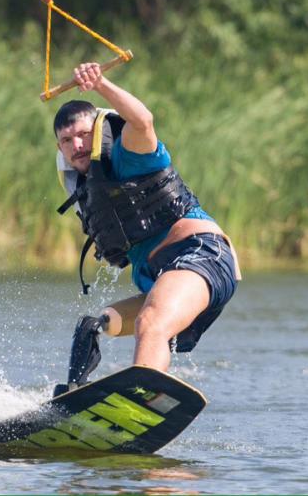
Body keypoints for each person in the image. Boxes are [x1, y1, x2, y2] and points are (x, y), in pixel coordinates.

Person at [52, 62, 241, 395]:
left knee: (150, 323)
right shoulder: (86, 188)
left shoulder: (129, 153)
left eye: (83, 134)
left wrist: (101, 84)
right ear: (60, 149)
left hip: (199, 255)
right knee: (96, 324)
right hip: (160, 278)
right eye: (67, 140)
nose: (77, 144)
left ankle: (138, 401)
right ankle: (71, 395)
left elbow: (143, 120)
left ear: (96, 129)